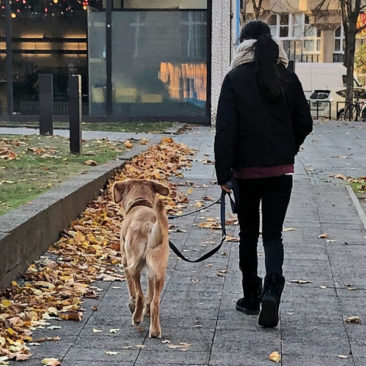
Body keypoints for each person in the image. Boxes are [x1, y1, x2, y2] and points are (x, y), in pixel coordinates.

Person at [214, 20, 313, 328]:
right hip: (280, 172)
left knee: (248, 234)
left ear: (243, 44)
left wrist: (223, 173)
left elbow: (225, 130)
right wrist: (288, 150)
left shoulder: (234, 78)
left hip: (246, 173)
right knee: (273, 234)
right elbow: (305, 123)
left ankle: (251, 296)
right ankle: (273, 289)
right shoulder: (288, 77)